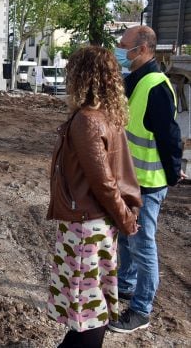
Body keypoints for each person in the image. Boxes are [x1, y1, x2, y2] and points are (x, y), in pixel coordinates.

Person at [46, 46, 142, 348]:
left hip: (86, 228)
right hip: (94, 224)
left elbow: (104, 183)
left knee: (88, 312)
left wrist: (126, 220)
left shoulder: (87, 120)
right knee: (91, 309)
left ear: (83, 77)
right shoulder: (104, 116)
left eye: (71, 73)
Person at [108, 25, 187, 333]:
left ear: (141, 49)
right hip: (129, 180)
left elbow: (170, 135)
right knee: (127, 239)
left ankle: (141, 311)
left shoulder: (156, 85)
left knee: (142, 243)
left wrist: (172, 172)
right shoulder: (134, 80)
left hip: (148, 183)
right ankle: (126, 285)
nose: (119, 49)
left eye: (123, 44)